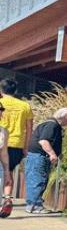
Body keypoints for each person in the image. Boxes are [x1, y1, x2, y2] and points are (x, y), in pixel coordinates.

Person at [24, 108, 67, 215]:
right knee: (38, 180)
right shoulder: (52, 125)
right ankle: (34, 206)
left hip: (37, 156)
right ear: (64, 117)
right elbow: (44, 141)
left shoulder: (50, 124)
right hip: (39, 156)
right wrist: (52, 154)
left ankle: (33, 205)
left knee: (37, 180)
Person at [1, 79, 32, 218]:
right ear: (16, 91)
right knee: (9, 172)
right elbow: (29, 129)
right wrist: (26, 147)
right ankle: (7, 198)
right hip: (16, 144)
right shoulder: (25, 106)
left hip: (1, 141)